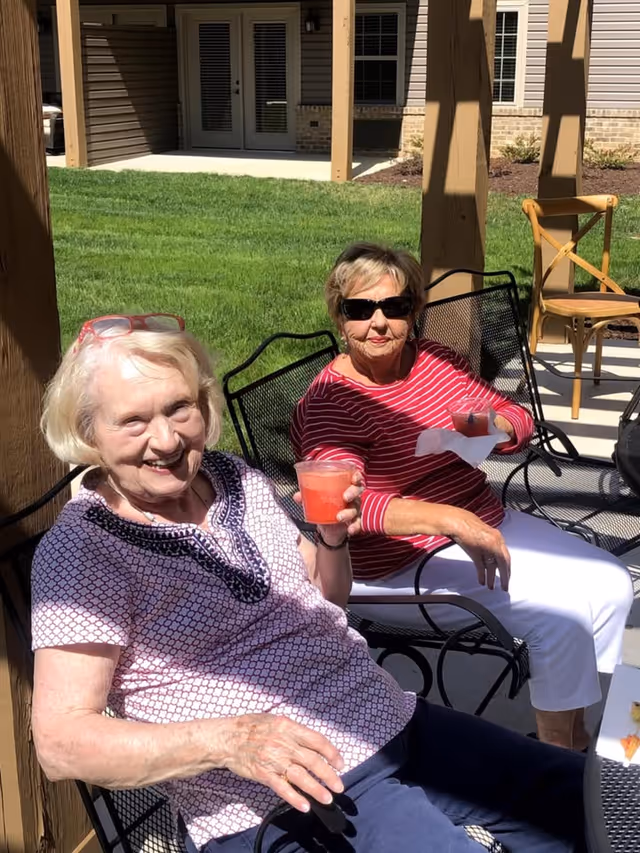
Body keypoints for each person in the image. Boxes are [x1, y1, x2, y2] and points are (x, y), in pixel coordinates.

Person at [31, 313, 586, 853]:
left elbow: (325, 599)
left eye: (180, 409)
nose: (167, 440)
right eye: (133, 422)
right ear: (88, 433)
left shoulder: (233, 479)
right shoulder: (85, 551)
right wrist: (227, 740)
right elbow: (61, 744)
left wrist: (332, 538)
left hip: (387, 717)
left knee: (597, 797)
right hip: (285, 797)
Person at [292, 242, 634, 751]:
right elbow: (346, 508)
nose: (379, 323)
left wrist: (488, 426)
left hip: (480, 521)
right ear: (339, 317)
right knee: (560, 619)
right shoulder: (330, 404)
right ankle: (558, 771)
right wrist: (451, 520)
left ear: (416, 311)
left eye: (396, 307)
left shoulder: (433, 361)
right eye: (360, 310)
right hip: (396, 565)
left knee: (611, 584)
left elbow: (513, 416)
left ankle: (583, 738)